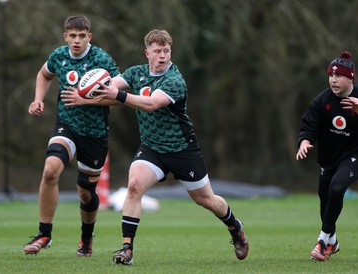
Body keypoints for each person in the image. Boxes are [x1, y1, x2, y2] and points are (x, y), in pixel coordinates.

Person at [95, 29, 249, 265]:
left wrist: (118, 95)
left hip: (182, 150)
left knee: (206, 199)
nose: (163, 55)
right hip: (152, 149)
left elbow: (151, 104)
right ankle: (127, 249)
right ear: (147, 53)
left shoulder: (174, 80)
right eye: (157, 51)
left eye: (166, 50)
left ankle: (234, 227)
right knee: (134, 186)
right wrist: (88, 93)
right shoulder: (136, 73)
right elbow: (109, 87)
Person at [23, 15, 120, 257]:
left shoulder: (102, 59)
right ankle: (44, 233)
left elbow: (119, 95)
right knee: (50, 170)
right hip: (65, 125)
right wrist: (38, 99)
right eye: (72, 36)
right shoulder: (58, 56)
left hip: (95, 133)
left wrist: (86, 98)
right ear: (66, 36)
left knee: (86, 192)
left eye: (82, 36)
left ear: (89, 36)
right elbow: (44, 75)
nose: (77, 41)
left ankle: (86, 239)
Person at [296, 51, 358, 261]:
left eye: (339, 76)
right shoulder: (323, 100)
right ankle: (332, 241)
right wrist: (305, 141)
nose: (334, 80)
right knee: (325, 201)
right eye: (331, 76)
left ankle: (322, 240)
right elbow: (309, 124)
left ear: (350, 77)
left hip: (356, 155)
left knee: (337, 187)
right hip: (328, 158)